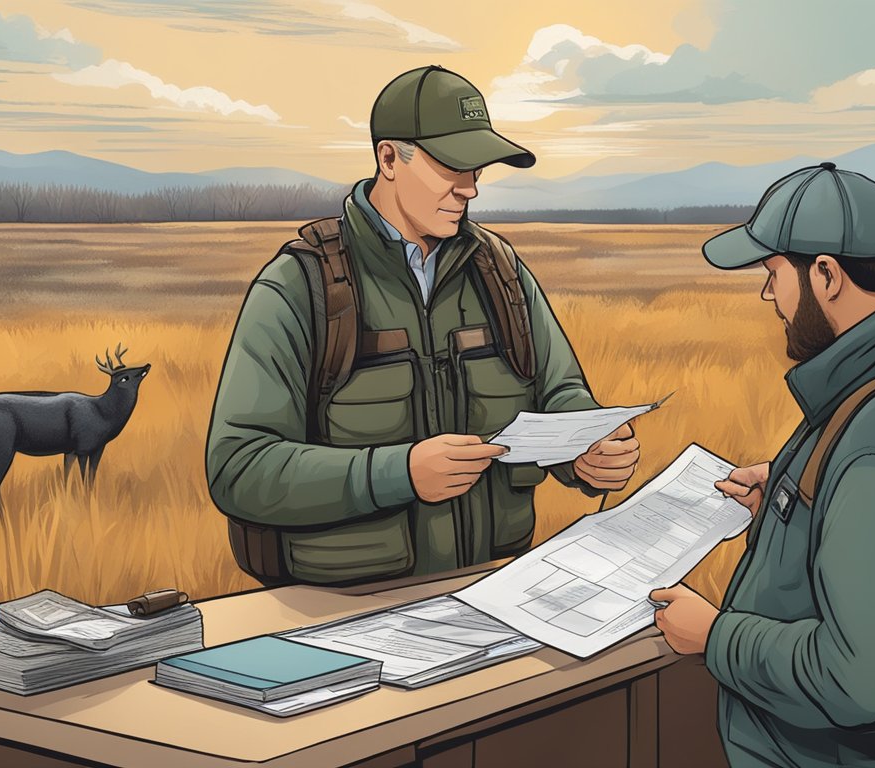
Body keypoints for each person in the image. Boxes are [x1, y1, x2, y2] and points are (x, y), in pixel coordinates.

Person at [650, 163, 875, 768]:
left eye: (773, 274)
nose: (768, 295)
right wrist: (797, 495)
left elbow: (857, 680)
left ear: (826, 274)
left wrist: (716, 636)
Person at [206, 65, 640, 587]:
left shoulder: (501, 271)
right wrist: (400, 473)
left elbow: (560, 393)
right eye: (451, 167)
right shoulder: (300, 286)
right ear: (388, 158)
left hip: (493, 590)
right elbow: (239, 467)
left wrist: (589, 452)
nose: (469, 190)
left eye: (477, 169)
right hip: (339, 609)